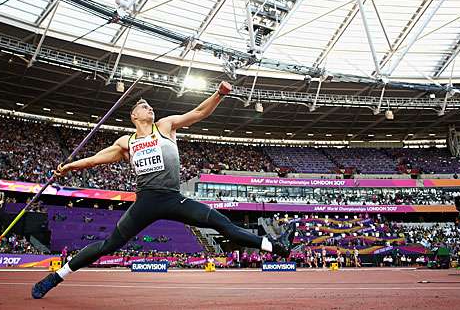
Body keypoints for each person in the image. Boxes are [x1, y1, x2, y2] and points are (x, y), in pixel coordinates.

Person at [32, 81, 296, 299]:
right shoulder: (127, 142)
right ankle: (55, 277)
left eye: (150, 106)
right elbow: (94, 159)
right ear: (134, 116)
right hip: (145, 203)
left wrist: (219, 93)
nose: (150, 108)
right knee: (108, 245)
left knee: (221, 222)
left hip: (173, 199)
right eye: (144, 106)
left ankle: (276, 247)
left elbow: (199, 113)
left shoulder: (166, 127)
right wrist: (68, 167)